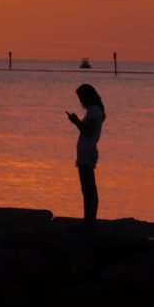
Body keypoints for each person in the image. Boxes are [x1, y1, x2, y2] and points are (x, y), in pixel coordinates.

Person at [66, 83, 105, 229]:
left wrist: (76, 122)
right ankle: (89, 220)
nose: (80, 101)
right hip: (87, 152)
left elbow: (88, 131)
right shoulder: (94, 111)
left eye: (81, 97)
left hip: (87, 152)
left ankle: (89, 221)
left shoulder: (94, 111)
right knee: (88, 188)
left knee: (88, 189)